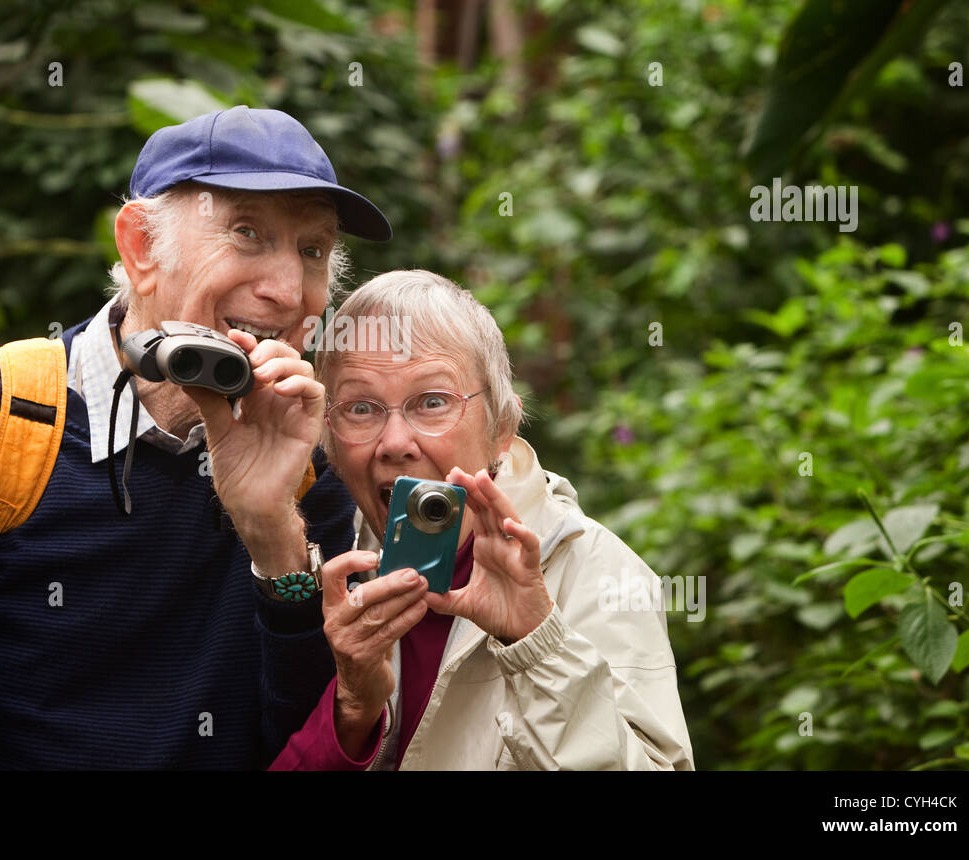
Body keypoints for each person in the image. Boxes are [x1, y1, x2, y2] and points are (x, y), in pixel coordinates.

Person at [0, 106, 392, 769]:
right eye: (247, 232)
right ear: (140, 250)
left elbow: (301, 751)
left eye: (312, 250)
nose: (286, 289)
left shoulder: (311, 462)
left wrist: (274, 535)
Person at [271, 270, 695, 770]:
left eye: (432, 402)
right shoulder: (331, 565)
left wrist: (536, 643)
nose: (394, 443)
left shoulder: (598, 572)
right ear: (331, 443)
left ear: (502, 429)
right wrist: (355, 706)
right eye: (361, 408)